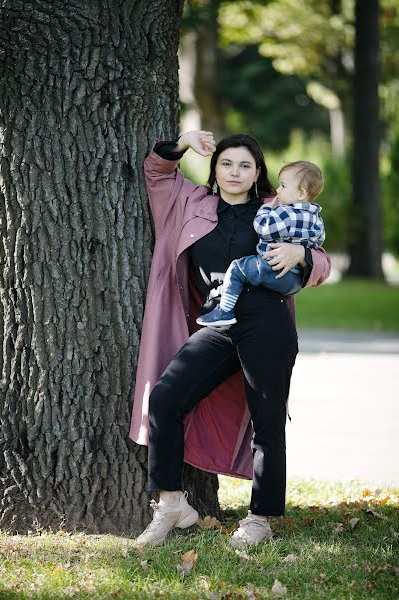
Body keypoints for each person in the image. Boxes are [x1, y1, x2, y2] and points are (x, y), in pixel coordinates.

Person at [129, 131, 331, 548]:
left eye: (245, 165)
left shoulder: (279, 208)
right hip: (217, 323)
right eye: (226, 163)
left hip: (266, 320)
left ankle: (260, 518)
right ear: (214, 169)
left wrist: (303, 256)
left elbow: (322, 257)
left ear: (258, 173)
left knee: (267, 421)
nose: (234, 172)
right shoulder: (189, 203)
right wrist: (183, 142)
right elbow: (157, 171)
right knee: (165, 398)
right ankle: (171, 503)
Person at [196, 161, 325, 327]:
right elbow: (318, 241)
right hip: (295, 280)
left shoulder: (285, 213)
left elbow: (264, 228)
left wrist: (266, 209)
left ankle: (224, 311)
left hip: (273, 269)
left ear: (301, 194)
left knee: (237, 268)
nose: (278, 191)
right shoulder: (316, 218)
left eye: (283, 186)